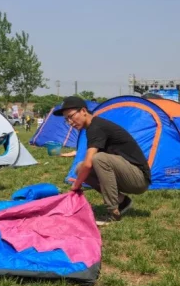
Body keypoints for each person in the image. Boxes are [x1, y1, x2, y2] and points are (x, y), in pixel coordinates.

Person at [53, 96, 151, 225]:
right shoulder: (91, 128)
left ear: (83, 111)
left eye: (71, 116)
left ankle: (113, 211)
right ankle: (122, 202)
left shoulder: (96, 127)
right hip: (127, 175)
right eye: (67, 120)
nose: (70, 122)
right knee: (79, 168)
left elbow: (89, 163)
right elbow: (85, 165)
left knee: (98, 159)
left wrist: (75, 186)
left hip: (139, 179)